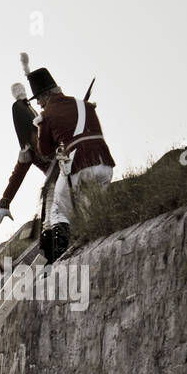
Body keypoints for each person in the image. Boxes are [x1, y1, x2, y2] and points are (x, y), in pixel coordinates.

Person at [24, 54, 115, 263]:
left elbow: (44, 150)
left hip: (79, 163)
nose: (38, 103)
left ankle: (58, 259)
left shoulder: (45, 115)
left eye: (38, 98)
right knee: (90, 207)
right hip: (104, 163)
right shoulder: (84, 105)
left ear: (45, 94)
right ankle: (91, 240)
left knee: (57, 210)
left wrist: (41, 127)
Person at [0, 80, 54, 230]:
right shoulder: (29, 152)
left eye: (36, 133)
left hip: (77, 172)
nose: (35, 138)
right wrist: (4, 203)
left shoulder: (52, 133)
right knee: (50, 219)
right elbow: (17, 176)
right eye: (31, 136)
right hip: (56, 182)